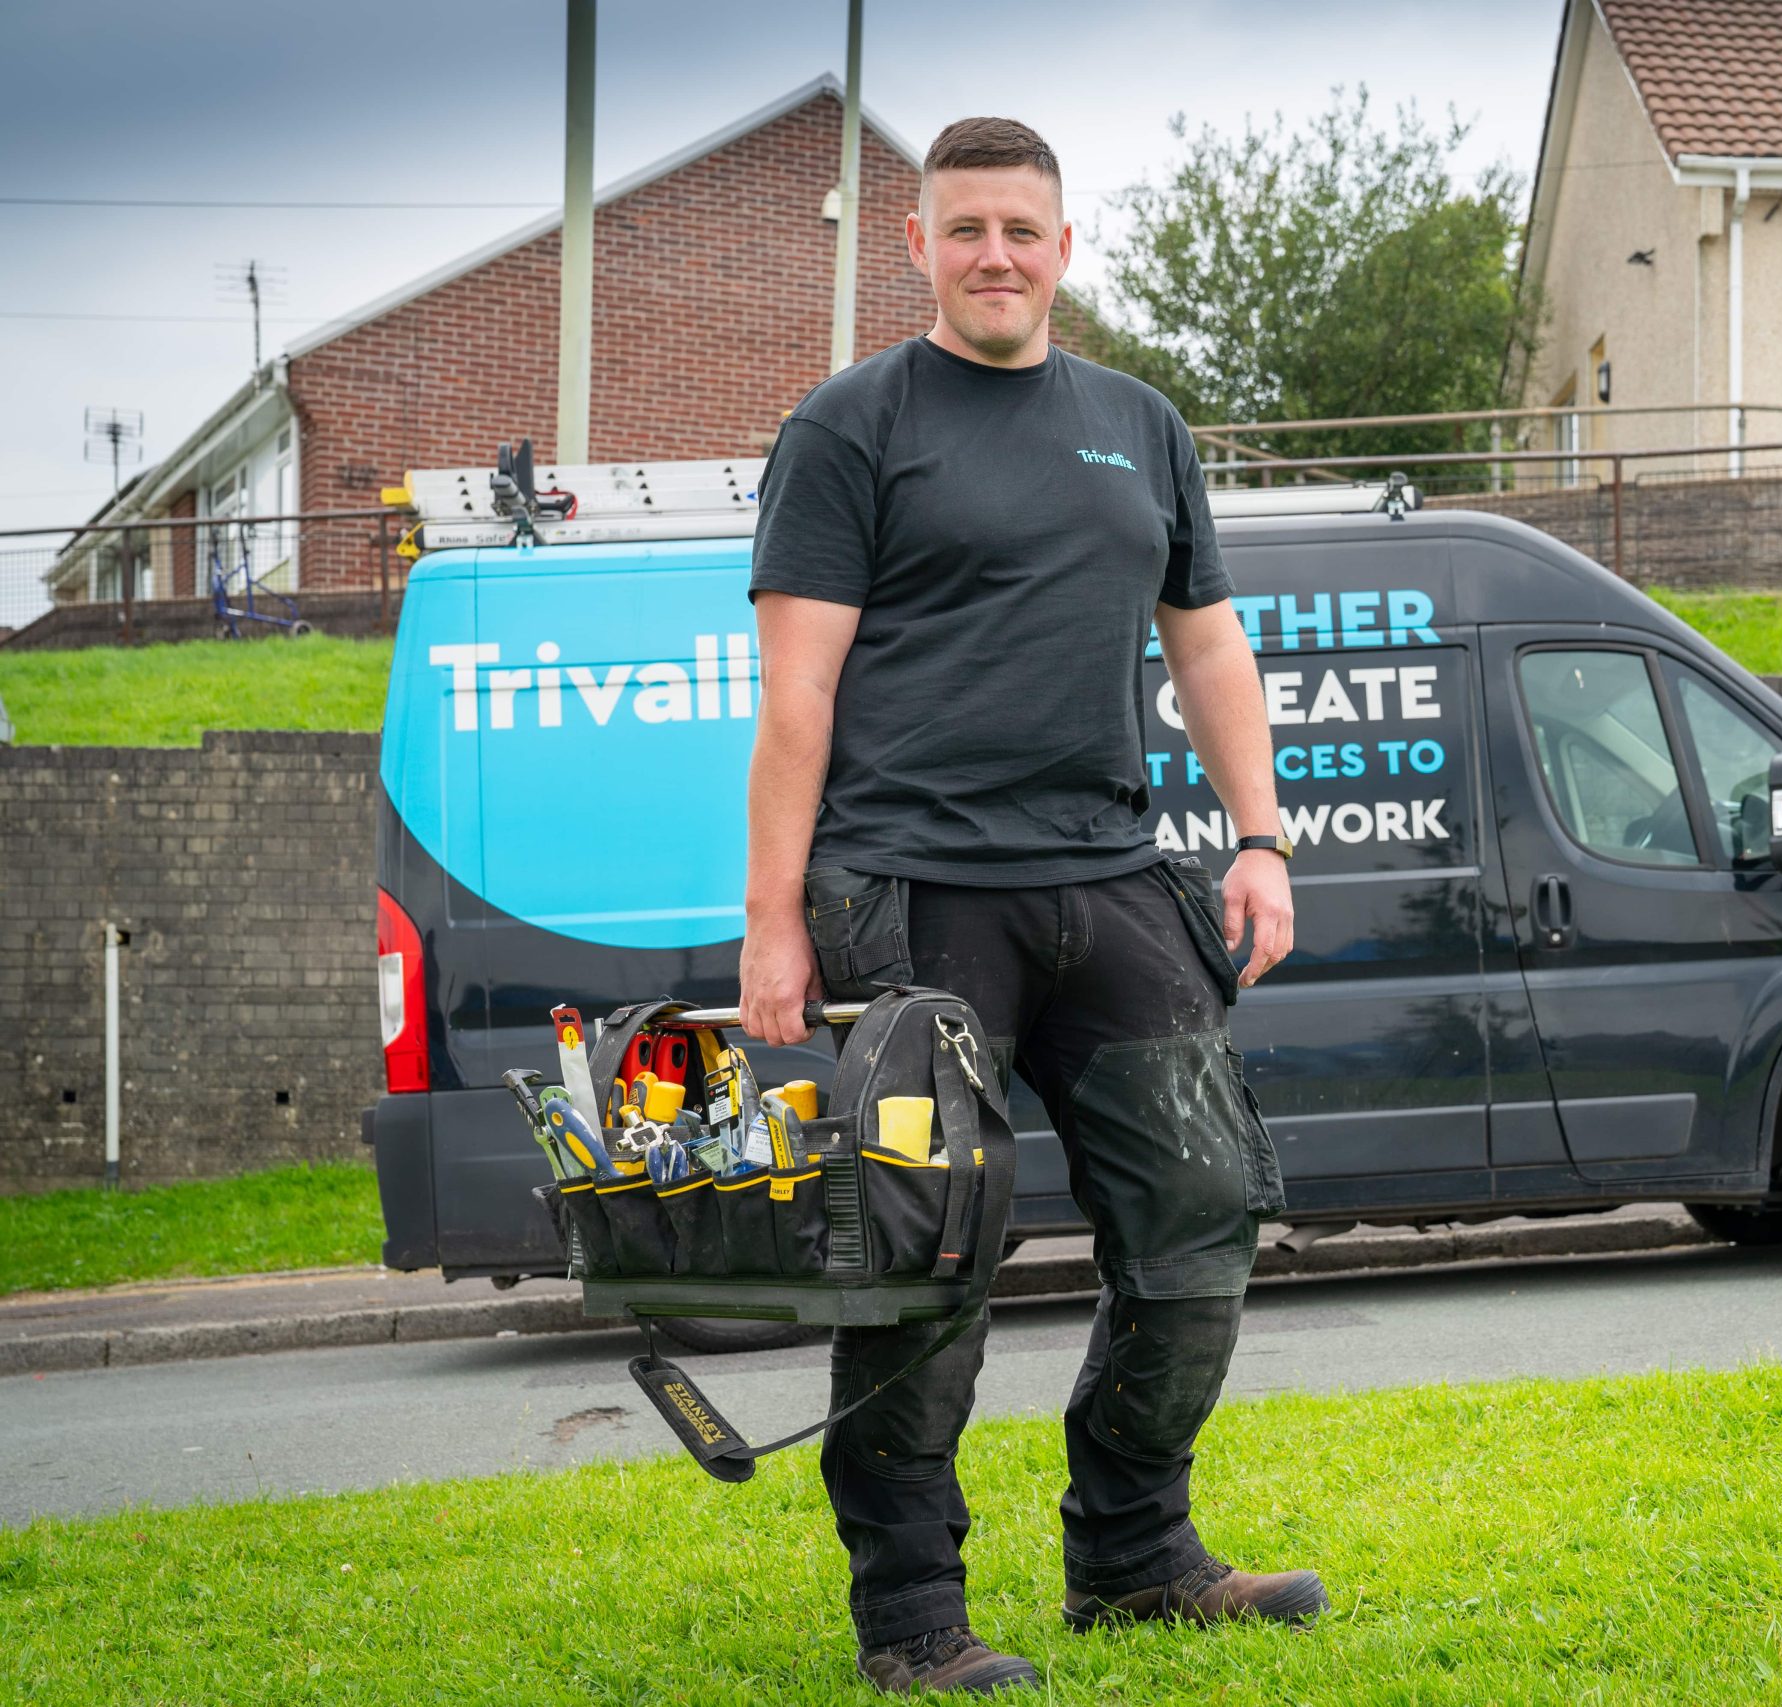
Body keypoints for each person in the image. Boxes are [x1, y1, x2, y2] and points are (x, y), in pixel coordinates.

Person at [738, 116, 1325, 1697]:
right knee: (929, 1259)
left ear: (1066, 248)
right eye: (967, 228)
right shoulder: (852, 425)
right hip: (913, 895)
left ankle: (1135, 1559)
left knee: (1204, 1218)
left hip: (1115, 879)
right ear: (919, 246)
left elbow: (1206, 644)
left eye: (1025, 228)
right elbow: (796, 687)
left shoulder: (1139, 422)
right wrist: (774, 918)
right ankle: (913, 1617)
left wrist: (1259, 836)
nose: (997, 253)